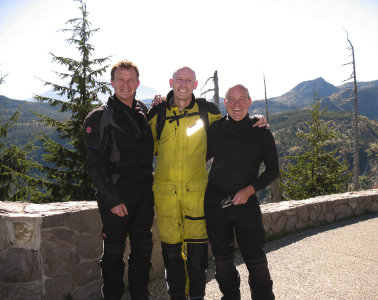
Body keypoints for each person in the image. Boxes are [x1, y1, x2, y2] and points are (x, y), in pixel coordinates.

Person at [148, 68, 267, 300]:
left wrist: (255, 119)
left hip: (197, 193)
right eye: (179, 80)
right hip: (165, 194)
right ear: (171, 82)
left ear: (196, 83)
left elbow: (232, 122)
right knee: (171, 253)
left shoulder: (207, 111)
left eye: (188, 80)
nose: (183, 85)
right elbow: (145, 147)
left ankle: (196, 297)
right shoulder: (157, 114)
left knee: (197, 254)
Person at [83, 60, 154, 300]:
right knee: (113, 254)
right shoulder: (99, 117)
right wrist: (112, 199)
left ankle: (140, 295)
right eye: (121, 80)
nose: (126, 85)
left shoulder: (142, 111)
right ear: (112, 83)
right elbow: (94, 165)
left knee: (143, 251)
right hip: (116, 195)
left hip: (144, 195)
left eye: (131, 80)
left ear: (138, 83)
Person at [204, 84, 279, 300]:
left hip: (247, 206)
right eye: (231, 99)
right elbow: (197, 156)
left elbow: (273, 170)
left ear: (249, 101)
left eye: (241, 99)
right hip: (216, 206)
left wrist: (250, 189)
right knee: (222, 261)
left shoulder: (261, 132)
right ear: (225, 102)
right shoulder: (215, 130)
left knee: (256, 259)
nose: (236, 104)